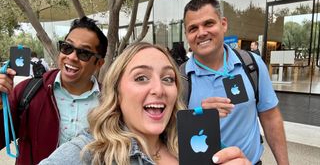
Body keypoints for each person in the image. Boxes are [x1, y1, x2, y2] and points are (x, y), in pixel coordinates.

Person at [39, 42, 250, 165]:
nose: (159, 89)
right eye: (141, 78)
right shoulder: (89, 153)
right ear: (117, 91)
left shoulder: (195, 140)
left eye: (168, 79)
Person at [182, 0, 289, 164]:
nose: (201, 33)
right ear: (187, 34)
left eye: (209, 23)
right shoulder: (178, 78)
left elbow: (271, 118)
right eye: (193, 28)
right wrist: (200, 117)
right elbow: (168, 136)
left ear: (223, 24)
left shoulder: (252, 64)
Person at [0, 16, 108, 164]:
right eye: (67, 47)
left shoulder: (110, 103)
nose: (71, 57)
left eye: (84, 53)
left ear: (99, 63)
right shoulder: (28, 91)